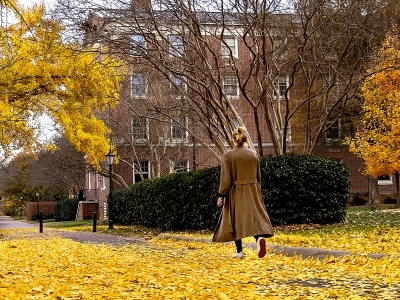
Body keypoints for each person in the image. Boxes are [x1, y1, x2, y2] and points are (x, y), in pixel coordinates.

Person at [212, 127, 274, 258]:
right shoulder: (253, 154)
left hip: (236, 191)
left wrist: (221, 195)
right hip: (252, 190)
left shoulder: (228, 156)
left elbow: (225, 178)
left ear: (233, 139)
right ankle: (258, 239)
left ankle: (239, 251)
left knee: (235, 219)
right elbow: (258, 176)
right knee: (252, 217)